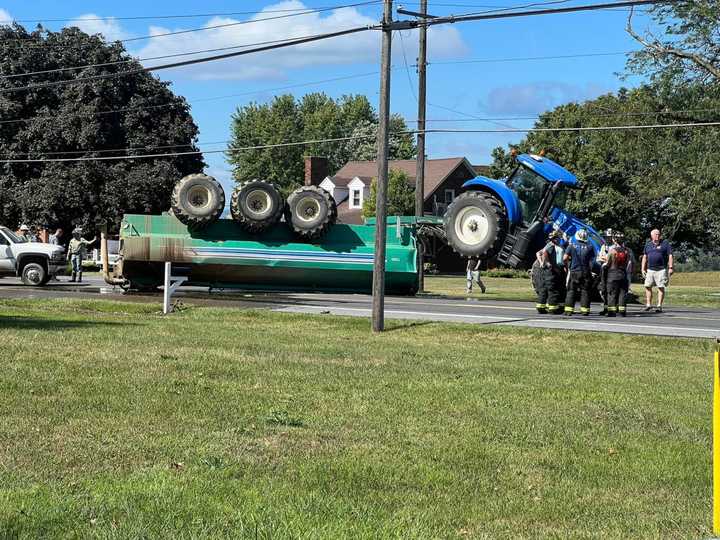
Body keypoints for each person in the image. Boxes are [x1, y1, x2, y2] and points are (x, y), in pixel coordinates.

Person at [563, 228, 596, 316]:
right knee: (585, 291)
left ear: (577, 236)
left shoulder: (571, 246)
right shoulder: (590, 247)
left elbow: (564, 258)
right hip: (586, 272)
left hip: (574, 271)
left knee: (571, 290)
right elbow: (593, 261)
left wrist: (567, 265)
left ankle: (568, 310)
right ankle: (585, 311)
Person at [641, 228, 673, 313]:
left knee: (661, 287)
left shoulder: (665, 244)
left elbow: (670, 255)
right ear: (651, 236)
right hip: (650, 269)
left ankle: (659, 306)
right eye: (656, 234)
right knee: (647, 286)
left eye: (659, 234)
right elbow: (645, 257)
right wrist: (642, 268)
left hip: (661, 269)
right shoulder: (648, 245)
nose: (657, 236)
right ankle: (648, 305)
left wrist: (670, 267)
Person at [534, 230, 566, 314]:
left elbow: (539, 253)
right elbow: (542, 253)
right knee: (553, 289)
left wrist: (542, 263)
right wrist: (546, 262)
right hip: (551, 271)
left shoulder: (551, 245)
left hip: (546, 271)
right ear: (555, 238)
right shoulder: (550, 246)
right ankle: (553, 308)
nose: (559, 239)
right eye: (558, 238)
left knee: (544, 289)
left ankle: (541, 307)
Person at [605, 231, 633, 317]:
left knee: (612, 293)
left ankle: (611, 312)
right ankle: (622, 312)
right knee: (622, 294)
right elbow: (628, 262)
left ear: (615, 240)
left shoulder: (612, 251)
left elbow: (608, 262)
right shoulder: (627, 251)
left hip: (613, 274)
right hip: (623, 274)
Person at [596, 228, 614, 316]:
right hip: (603, 270)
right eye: (606, 237)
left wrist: (606, 258)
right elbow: (599, 258)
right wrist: (604, 259)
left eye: (609, 237)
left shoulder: (615, 247)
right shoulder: (603, 246)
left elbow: (613, 259)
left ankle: (612, 309)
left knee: (611, 290)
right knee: (603, 290)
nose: (607, 239)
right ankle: (606, 308)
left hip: (612, 271)